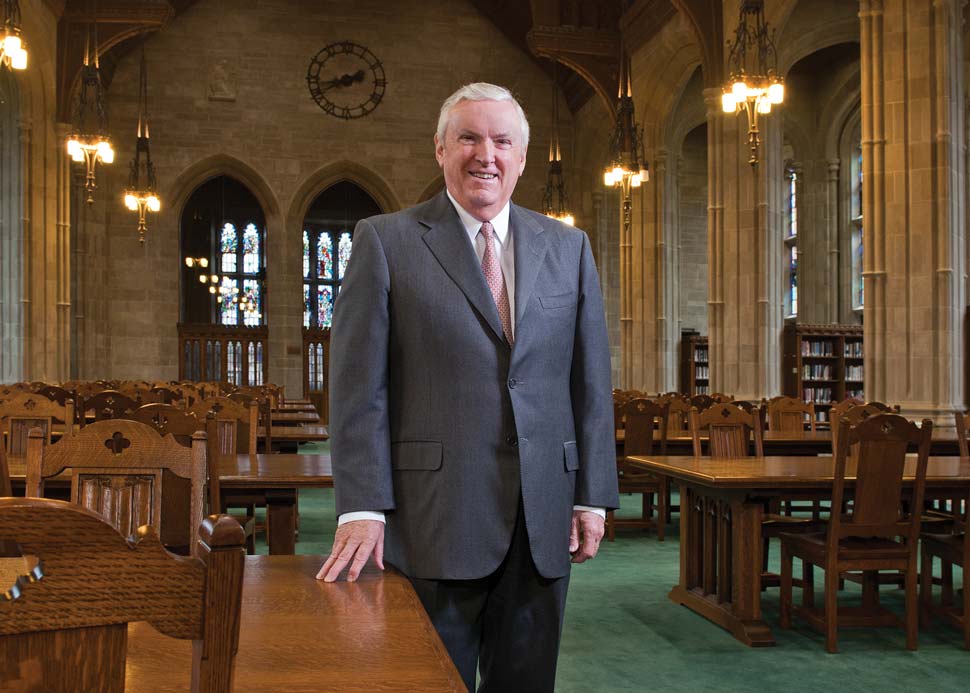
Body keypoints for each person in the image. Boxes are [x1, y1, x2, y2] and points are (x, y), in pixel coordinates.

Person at [317, 82, 618, 692]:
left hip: (541, 518)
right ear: (440, 149)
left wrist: (592, 496)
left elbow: (589, 383)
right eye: (469, 138)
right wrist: (362, 505)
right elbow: (357, 391)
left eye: (502, 141)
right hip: (434, 517)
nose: (487, 154)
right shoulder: (386, 241)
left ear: (522, 157)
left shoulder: (568, 247)